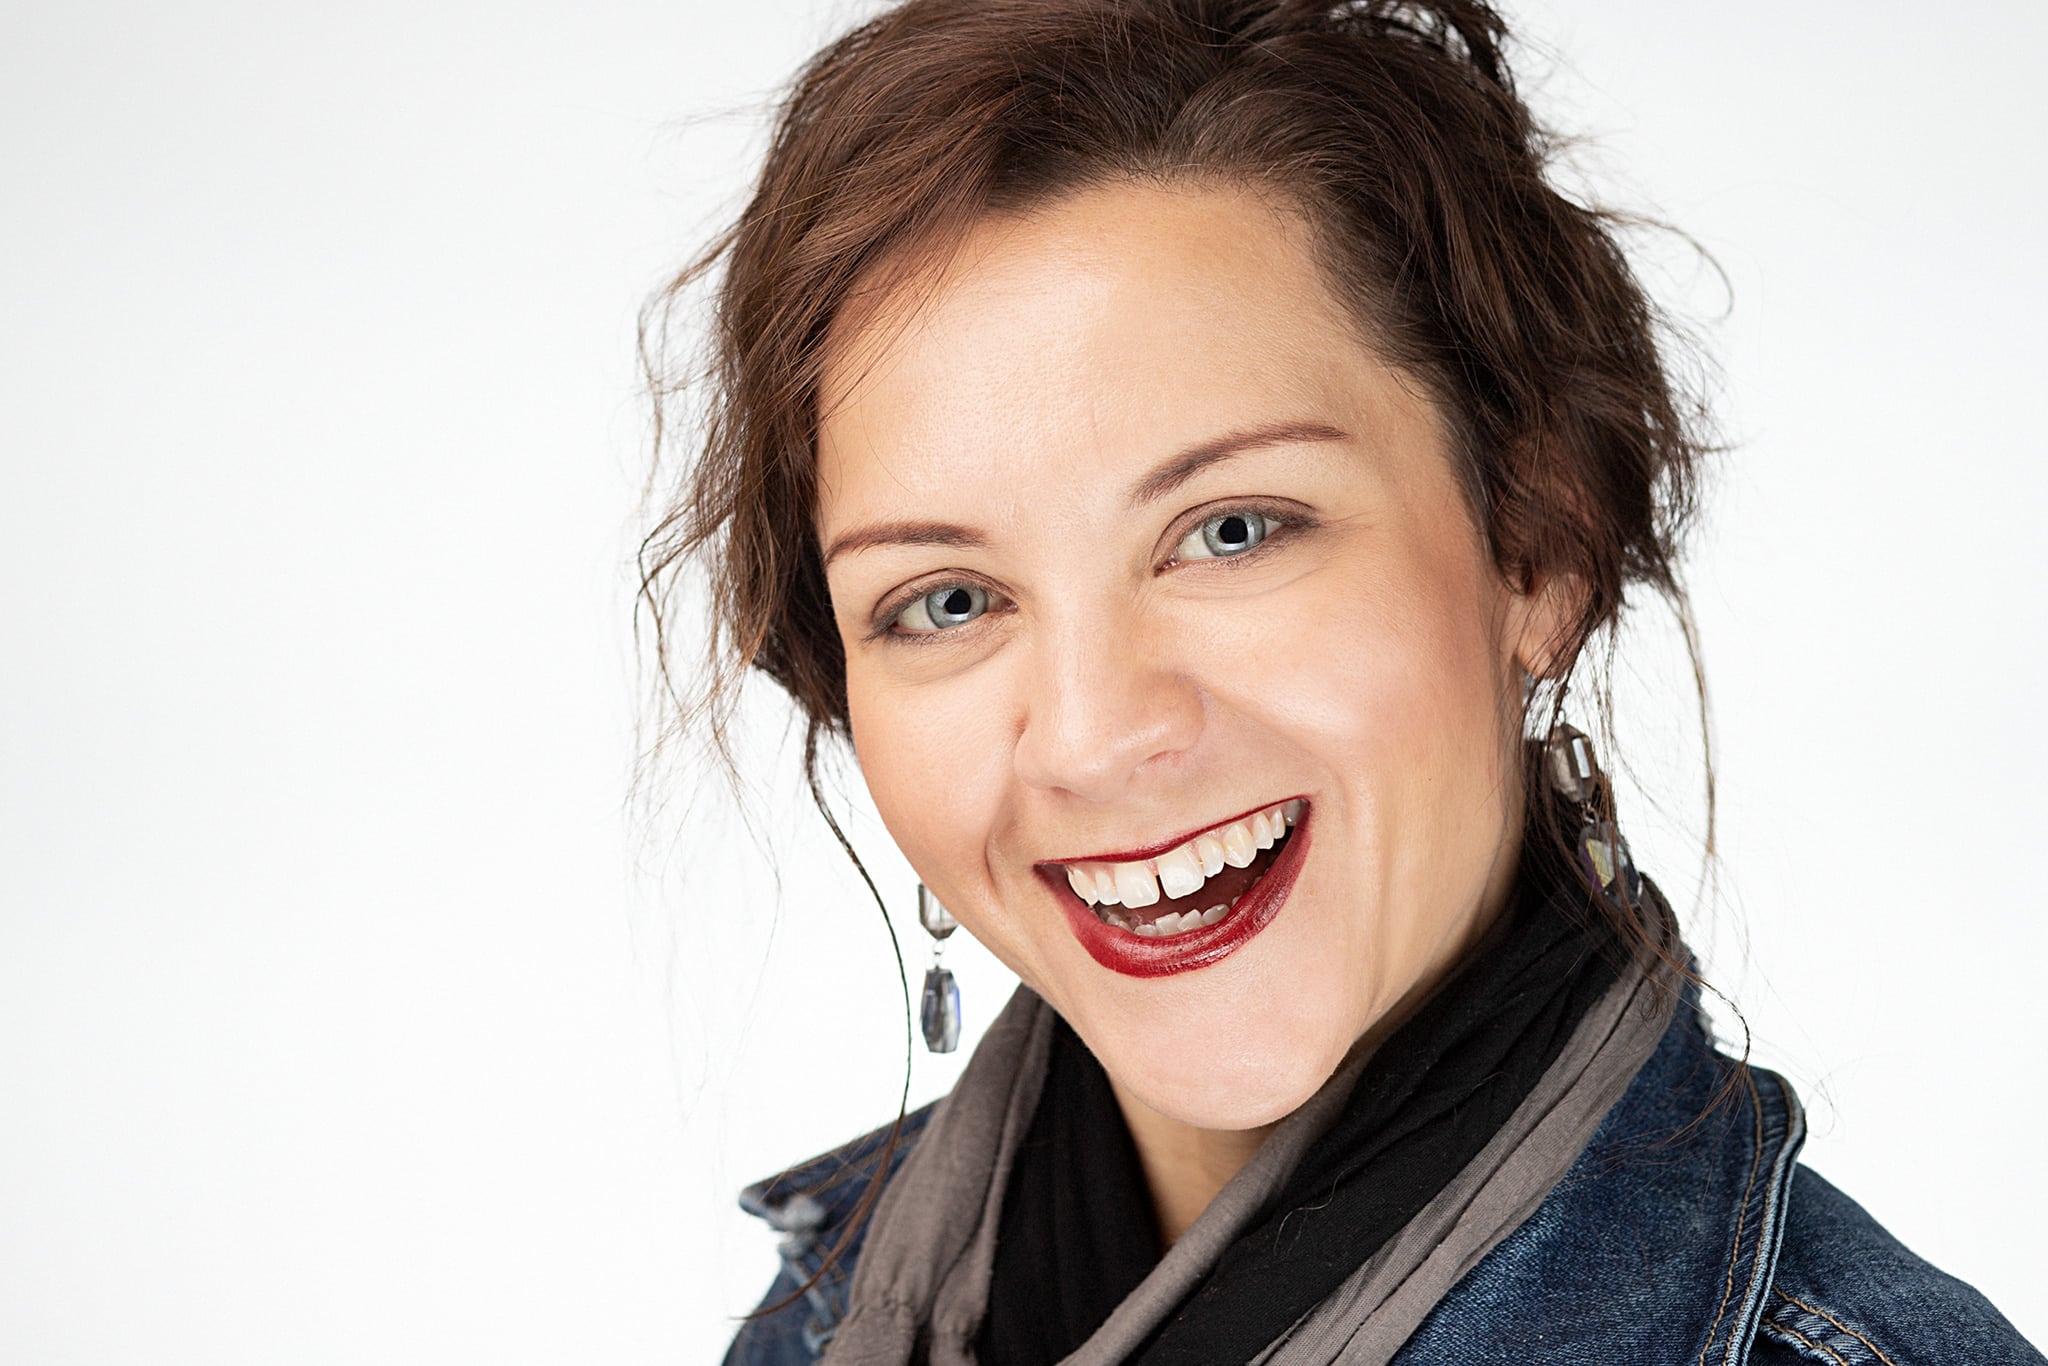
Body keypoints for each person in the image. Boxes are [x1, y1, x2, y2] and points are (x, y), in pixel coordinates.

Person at [640, 0, 2042, 1361]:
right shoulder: (824, 1316)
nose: (1093, 735)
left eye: (1231, 530)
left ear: (1539, 542)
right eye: (947, 601)